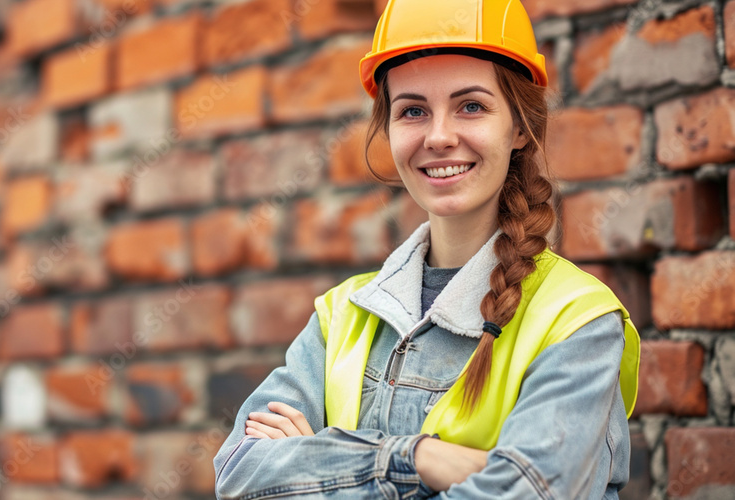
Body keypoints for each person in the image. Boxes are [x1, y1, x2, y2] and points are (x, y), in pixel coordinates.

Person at [213, 0, 641, 498]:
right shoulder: (343, 317)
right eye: (413, 111)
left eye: (472, 106)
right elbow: (240, 472)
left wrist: (322, 463)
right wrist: (421, 458)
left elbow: (528, 492)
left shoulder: (576, 321)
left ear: (520, 128)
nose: (439, 137)